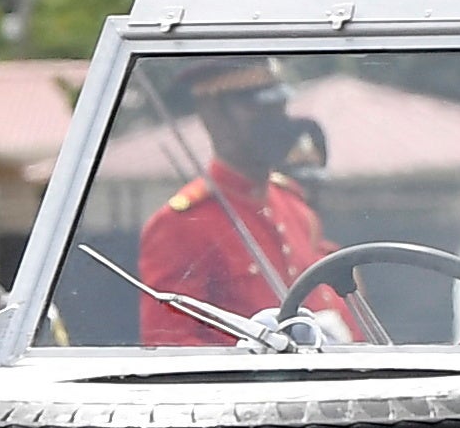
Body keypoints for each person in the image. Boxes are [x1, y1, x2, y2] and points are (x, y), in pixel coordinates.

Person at [135, 55, 362, 346]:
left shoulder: (295, 208)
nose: (277, 121)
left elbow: (338, 313)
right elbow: (169, 345)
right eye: (259, 108)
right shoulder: (180, 225)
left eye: (279, 107)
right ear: (214, 115)